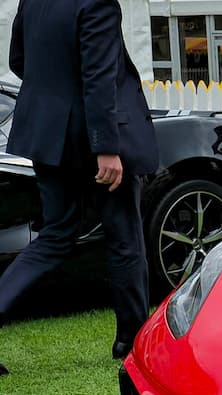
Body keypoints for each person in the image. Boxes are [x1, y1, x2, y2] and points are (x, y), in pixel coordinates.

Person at [0, 0, 160, 375]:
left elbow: (18, 60)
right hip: (92, 139)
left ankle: (131, 337)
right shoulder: (97, 2)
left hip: (46, 132)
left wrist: (56, 102)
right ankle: (132, 339)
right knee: (124, 236)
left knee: (55, 236)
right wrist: (106, 148)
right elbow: (99, 75)